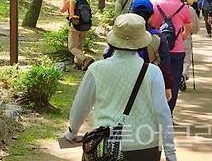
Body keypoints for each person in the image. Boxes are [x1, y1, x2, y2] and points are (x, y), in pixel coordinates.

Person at [62, 13, 177, 161]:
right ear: (142, 42)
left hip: (106, 147)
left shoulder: (96, 69)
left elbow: (81, 106)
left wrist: (71, 133)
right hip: (145, 145)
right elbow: (162, 112)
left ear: (113, 40)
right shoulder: (152, 72)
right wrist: (170, 153)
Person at [104, 0, 173, 101]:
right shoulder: (158, 37)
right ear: (151, 16)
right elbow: (165, 64)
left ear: (131, 13)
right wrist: (167, 86)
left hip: (118, 79)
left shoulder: (119, 33)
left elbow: (107, 54)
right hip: (146, 81)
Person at [149, 0, 193, 112]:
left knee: (152, 81)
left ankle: (153, 111)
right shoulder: (183, 7)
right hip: (176, 49)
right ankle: (168, 113)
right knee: (173, 82)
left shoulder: (153, 4)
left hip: (154, 50)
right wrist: (179, 38)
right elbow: (188, 30)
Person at [60, 0, 94, 71]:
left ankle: (85, 59)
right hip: (85, 25)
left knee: (72, 47)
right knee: (79, 47)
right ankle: (79, 64)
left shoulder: (70, 0)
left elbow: (62, 10)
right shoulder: (87, 0)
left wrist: (64, 2)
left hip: (74, 26)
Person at [181, 0, 201, 91]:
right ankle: (183, 74)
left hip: (170, 37)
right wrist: (194, 31)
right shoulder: (189, 9)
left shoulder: (167, 7)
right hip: (186, 36)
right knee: (186, 58)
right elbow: (196, 25)